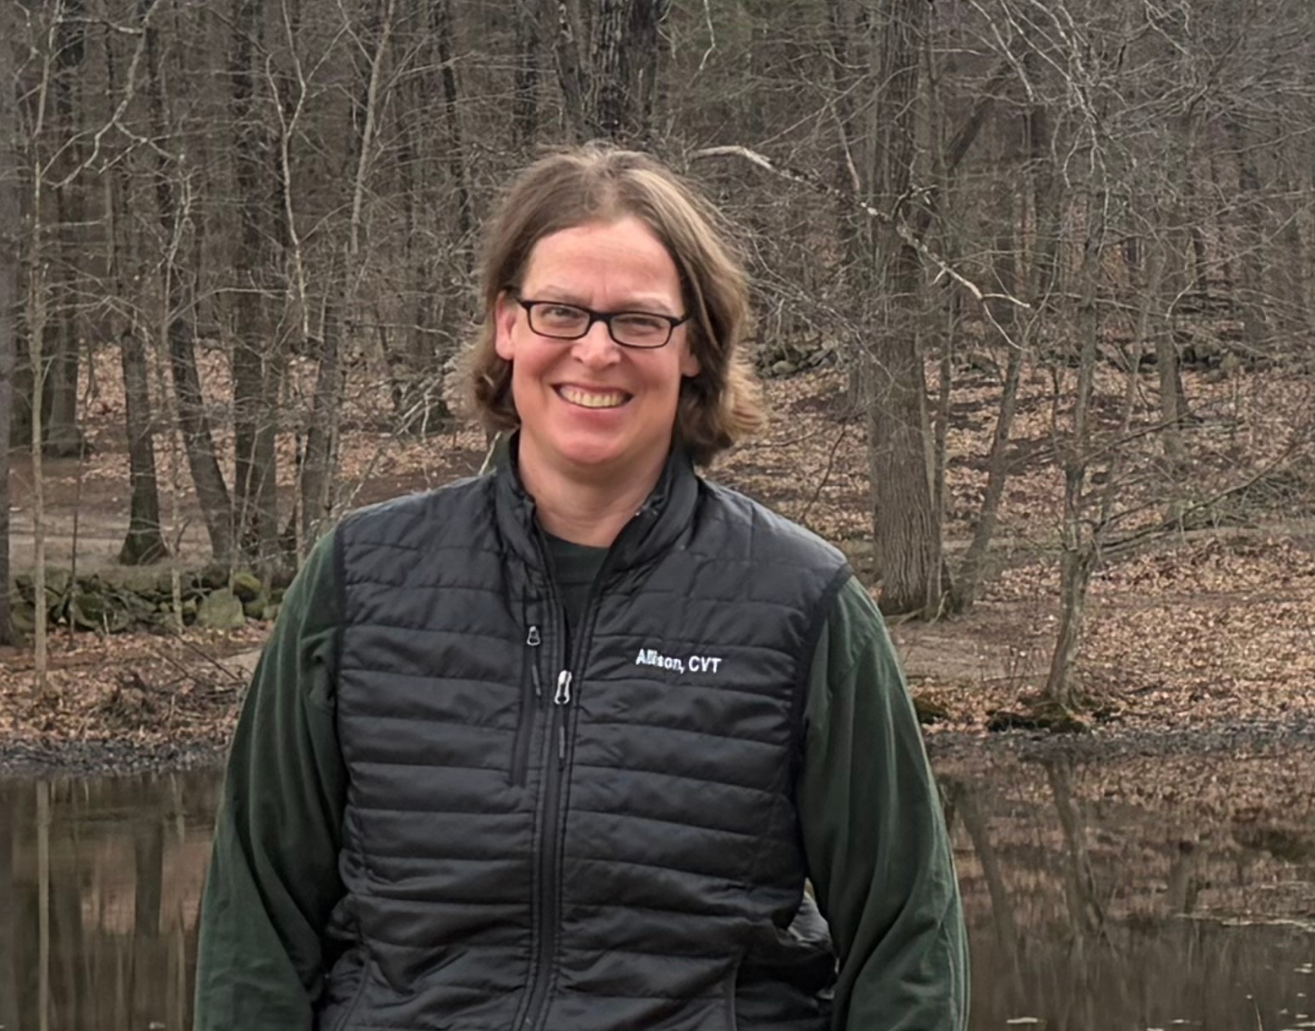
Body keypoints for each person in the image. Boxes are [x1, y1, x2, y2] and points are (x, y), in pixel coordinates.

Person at [195, 145, 968, 1031]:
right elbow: (255, 924)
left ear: (694, 347)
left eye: (639, 320)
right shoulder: (359, 581)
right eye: (560, 310)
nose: (595, 351)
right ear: (507, 324)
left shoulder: (803, 603)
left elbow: (907, 941)